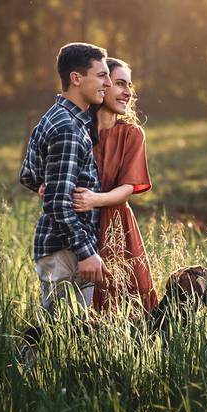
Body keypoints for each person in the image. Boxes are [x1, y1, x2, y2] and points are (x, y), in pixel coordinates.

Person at [19, 42, 113, 316]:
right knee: (63, 333)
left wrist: (45, 185)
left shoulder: (54, 117)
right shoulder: (69, 129)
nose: (107, 83)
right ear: (76, 78)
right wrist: (85, 252)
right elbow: (58, 203)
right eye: (101, 75)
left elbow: (27, 175)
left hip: (62, 248)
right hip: (67, 252)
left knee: (58, 330)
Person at [67, 58, 159, 315]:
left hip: (116, 226)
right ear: (103, 84)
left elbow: (128, 188)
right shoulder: (76, 129)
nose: (127, 92)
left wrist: (95, 200)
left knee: (124, 302)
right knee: (78, 306)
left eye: (129, 85)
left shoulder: (132, 133)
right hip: (79, 224)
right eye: (120, 83)